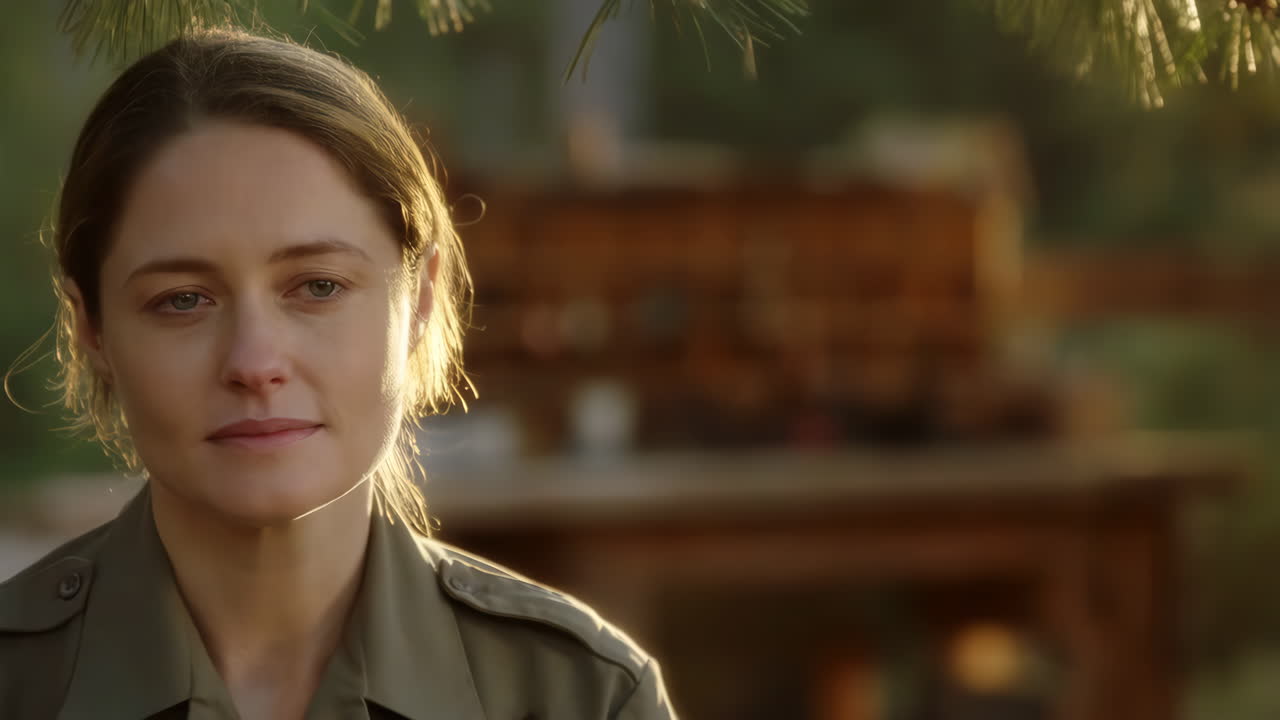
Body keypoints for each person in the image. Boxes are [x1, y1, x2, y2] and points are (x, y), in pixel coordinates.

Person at [0, 28, 675, 720]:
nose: (256, 364)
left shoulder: (584, 697)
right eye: (183, 300)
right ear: (92, 330)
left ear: (418, 298)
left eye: (317, 286)